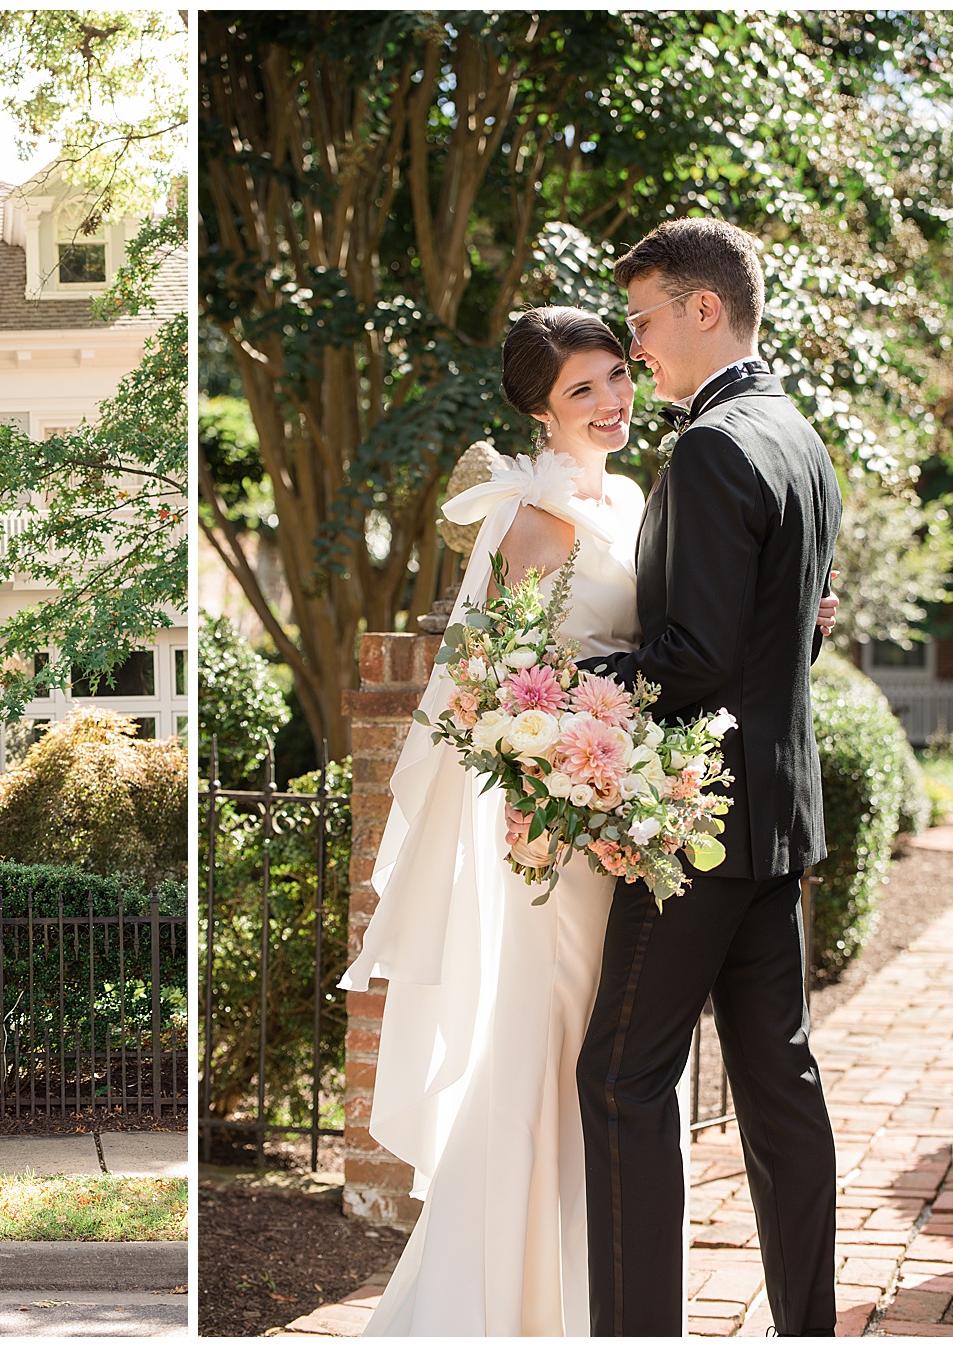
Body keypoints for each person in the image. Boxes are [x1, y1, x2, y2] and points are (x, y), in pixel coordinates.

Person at [339, 302, 840, 1334]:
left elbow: (689, 639)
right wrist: (573, 753)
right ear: (538, 411)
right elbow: (493, 690)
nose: (614, 400)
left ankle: (592, 1298)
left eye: (618, 375)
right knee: (564, 1054)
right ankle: (514, 1300)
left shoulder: (642, 493)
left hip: (636, 819)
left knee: (608, 1074)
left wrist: (789, 623)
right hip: (568, 834)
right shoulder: (533, 522)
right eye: (584, 390)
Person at [576, 217, 842, 1337]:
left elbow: (700, 658)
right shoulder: (797, 437)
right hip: (775, 821)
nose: (637, 352)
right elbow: (793, 629)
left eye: (641, 323)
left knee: (623, 1080)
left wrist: (575, 683)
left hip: (696, 827)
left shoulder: (712, 445)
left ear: (701, 308)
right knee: (778, 1086)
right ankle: (809, 1327)